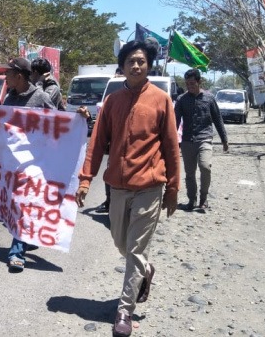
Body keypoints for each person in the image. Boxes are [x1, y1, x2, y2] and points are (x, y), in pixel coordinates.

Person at [75, 39, 180, 336]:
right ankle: (145, 271)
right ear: (121, 67)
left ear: (148, 65)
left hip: (150, 185)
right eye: (131, 61)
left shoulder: (161, 100)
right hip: (117, 188)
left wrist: (173, 188)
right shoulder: (112, 102)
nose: (136, 65)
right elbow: (96, 145)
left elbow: (172, 147)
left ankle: (124, 311)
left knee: (134, 250)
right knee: (121, 243)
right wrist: (85, 180)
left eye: (141, 61)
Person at [0, 57, 56, 272]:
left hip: (33, 164)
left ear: (19, 76)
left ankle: (16, 252)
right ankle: (28, 238)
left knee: (21, 206)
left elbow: (59, 120)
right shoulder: (10, 97)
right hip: (11, 164)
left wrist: (79, 117)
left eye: (8, 74)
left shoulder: (40, 97)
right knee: (9, 207)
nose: (5, 77)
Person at [174, 69, 229, 211]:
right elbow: (175, 121)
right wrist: (171, 139)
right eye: (187, 84)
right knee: (189, 173)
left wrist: (224, 140)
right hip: (187, 141)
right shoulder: (182, 100)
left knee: (205, 167)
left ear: (199, 82)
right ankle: (191, 200)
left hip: (205, 139)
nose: (189, 86)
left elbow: (218, 119)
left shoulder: (209, 98)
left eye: (192, 83)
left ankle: (203, 199)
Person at [93, 67, 125, 214]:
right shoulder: (112, 98)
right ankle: (108, 201)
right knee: (110, 174)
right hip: (115, 146)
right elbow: (102, 124)